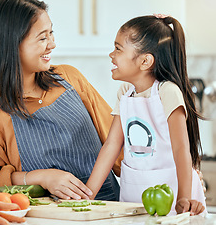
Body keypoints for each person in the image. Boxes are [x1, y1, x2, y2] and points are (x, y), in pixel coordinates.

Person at [0, 0, 122, 201]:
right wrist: (41, 177)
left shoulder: (69, 78)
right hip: (43, 218)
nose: (52, 44)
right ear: (11, 45)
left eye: (51, 33)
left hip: (111, 211)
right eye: (42, 37)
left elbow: (119, 145)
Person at [86, 14, 206, 215]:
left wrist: (184, 197)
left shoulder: (167, 91)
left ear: (145, 61)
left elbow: (181, 149)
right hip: (134, 192)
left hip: (173, 193)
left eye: (117, 48)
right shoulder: (125, 92)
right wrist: (87, 195)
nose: (111, 55)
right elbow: (112, 145)